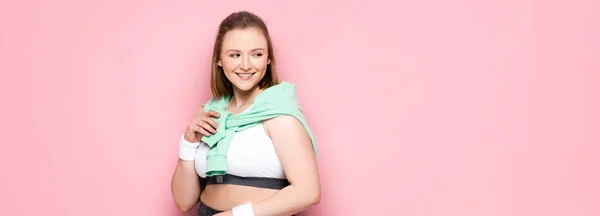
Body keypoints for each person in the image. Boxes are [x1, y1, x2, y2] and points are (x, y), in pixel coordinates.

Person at [170, 11, 321, 216]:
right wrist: (188, 143)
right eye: (235, 55)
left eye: (256, 54)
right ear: (219, 60)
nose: (246, 65)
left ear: (268, 59)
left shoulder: (279, 114)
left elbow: (308, 192)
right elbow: (184, 201)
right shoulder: (210, 114)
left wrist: (235, 215)